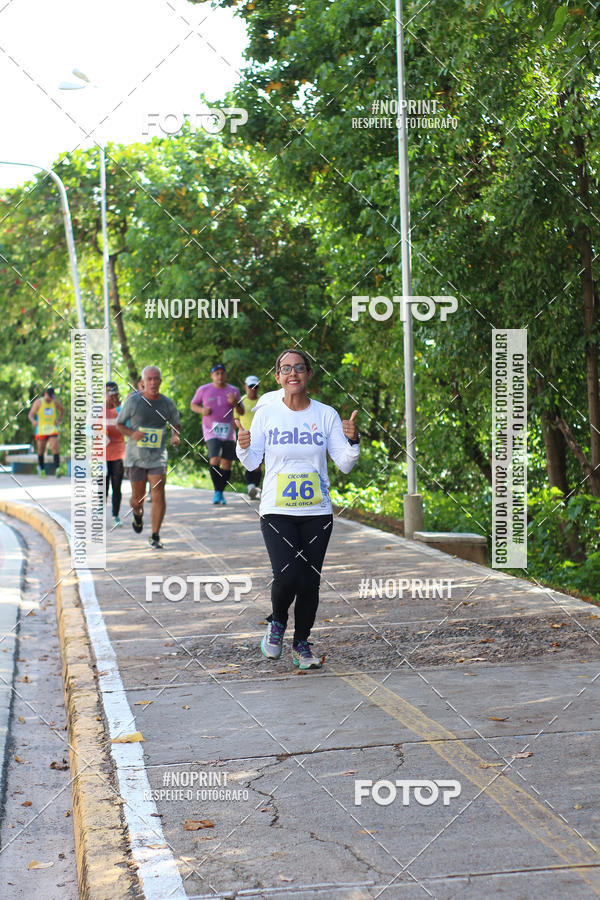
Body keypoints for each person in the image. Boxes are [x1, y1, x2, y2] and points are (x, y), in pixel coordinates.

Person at [236, 349, 360, 670]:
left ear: (308, 374)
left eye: (299, 367)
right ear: (278, 376)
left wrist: (354, 440)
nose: (293, 373)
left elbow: (345, 463)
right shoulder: (266, 413)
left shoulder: (326, 415)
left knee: (309, 582)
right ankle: (277, 622)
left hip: (317, 512)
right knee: (287, 574)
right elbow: (251, 461)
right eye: (286, 368)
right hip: (276, 509)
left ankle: (301, 644)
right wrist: (243, 445)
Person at [116, 366, 181, 549]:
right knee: (138, 499)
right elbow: (119, 424)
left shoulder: (167, 404)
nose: (153, 382)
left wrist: (175, 435)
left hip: (157, 457)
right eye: (149, 379)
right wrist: (132, 433)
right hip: (135, 458)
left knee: (158, 492)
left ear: (160, 381)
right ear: (143, 382)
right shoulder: (133, 402)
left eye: (156, 379)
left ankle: (155, 535)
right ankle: (137, 513)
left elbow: (175, 424)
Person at [190, 363, 244, 505]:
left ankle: (220, 491)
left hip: (228, 431)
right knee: (214, 458)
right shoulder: (204, 389)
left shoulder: (233, 390)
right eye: (216, 373)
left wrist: (236, 403)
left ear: (225, 375)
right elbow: (193, 405)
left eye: (222, 373)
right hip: (210, 430)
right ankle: (217, 492)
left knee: (227, 463)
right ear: (212, 375)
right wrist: (202, 411)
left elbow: (242, 411)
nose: (219, 376)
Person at [28, 387, 64, 477]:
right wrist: (33, 421)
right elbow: (30, 414)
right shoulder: (38, 402)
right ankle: (42, 469)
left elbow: (62, 410)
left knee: (55, 447)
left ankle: (58, 469)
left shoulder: (55, 402)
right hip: (41, 430)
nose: (50, 399)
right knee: (41, 450)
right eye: (49, 397)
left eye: (51, 397)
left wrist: (59, 419)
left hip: (52, 429)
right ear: (45, 394)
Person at [105, 382, 125, 527]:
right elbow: (86, 428)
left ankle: (115, 516)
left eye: (114, 393)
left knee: (117, 485)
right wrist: (98, 433)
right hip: (101, 453)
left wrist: (118, 407)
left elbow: (128, 426)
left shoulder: (122, 409)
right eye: (109, 393)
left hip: (118, 452)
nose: (112, 396)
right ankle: (100, 509)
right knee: (103, 484)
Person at [239, 375, 262, 499]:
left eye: (255, 386)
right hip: (246, 437)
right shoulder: (240, 401)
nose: (253, 389)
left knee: (258, 465)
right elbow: (235, 419)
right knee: (249, 462)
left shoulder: (263, 401)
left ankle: (255, 488)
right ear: (245, 387)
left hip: (261, 437)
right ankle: (250, 487)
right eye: (250, 386)